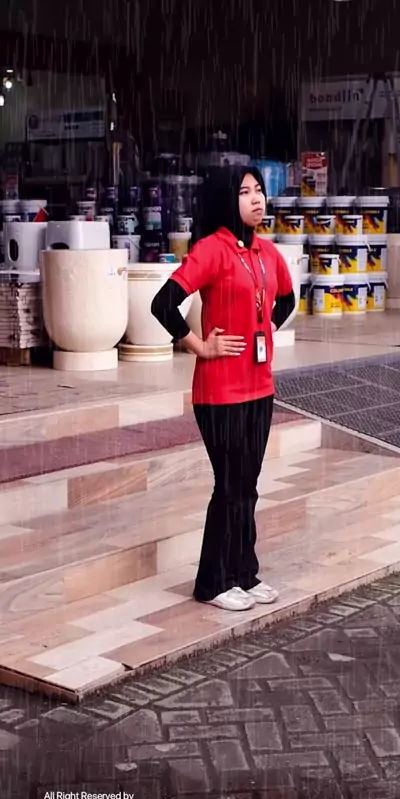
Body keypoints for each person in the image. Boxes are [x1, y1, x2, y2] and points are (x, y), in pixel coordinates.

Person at [151, 165, 295, 612]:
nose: (257, 199)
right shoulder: (211, 250)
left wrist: (266, 328)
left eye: (259, 190)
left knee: (248, 485)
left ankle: (244, 573)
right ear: (225, 199)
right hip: (220, 392)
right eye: (245, 191)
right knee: (230, 486)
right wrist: (200, 345)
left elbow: (287, 299)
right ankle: (213, 582)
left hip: (260, 388)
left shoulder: (268, 252)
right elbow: (163, 304)